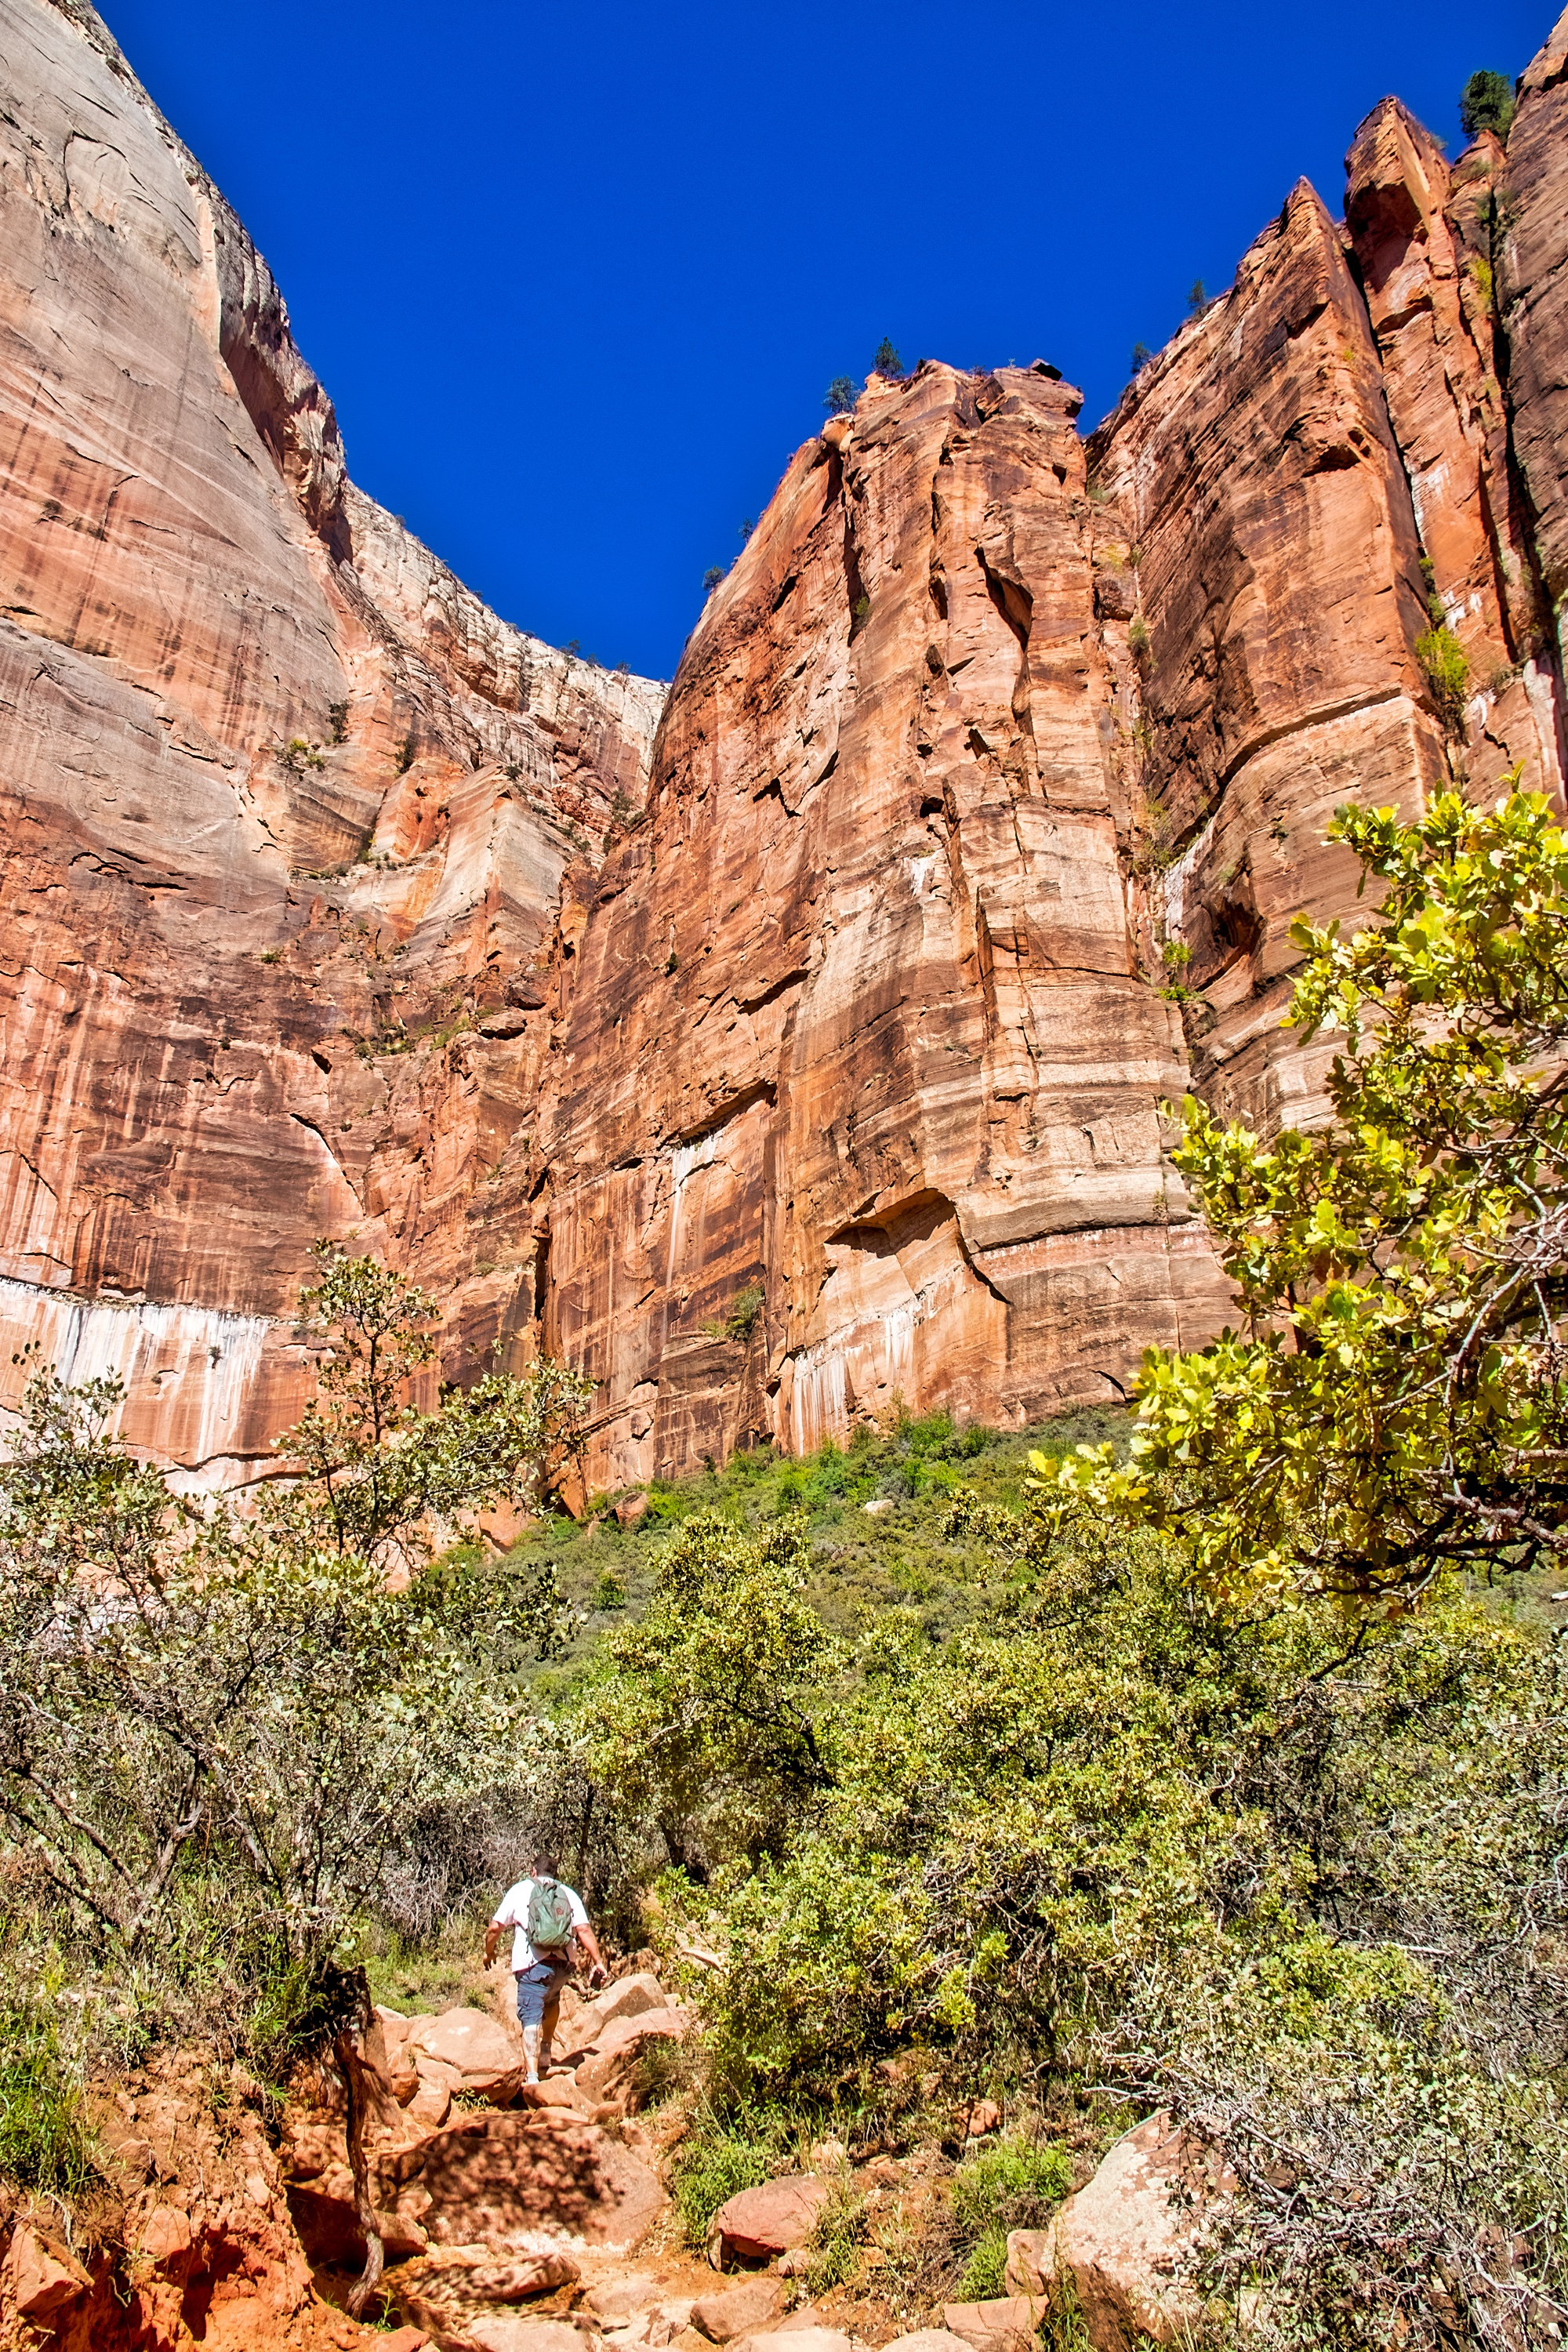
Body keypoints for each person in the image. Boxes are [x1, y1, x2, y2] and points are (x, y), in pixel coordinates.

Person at [485, 1854, 607, 2083]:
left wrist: (489, 1951)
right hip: (563, 1965)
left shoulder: (520, 1890)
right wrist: (598, 1961)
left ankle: (532, 2077)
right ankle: (546, 2050)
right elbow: (584, 1930)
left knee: (530, 2015)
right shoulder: (567, 1893)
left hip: (532, 1965)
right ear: (554, 1874)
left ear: (533, 1872)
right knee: (551, 2000)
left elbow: (495, 1928)